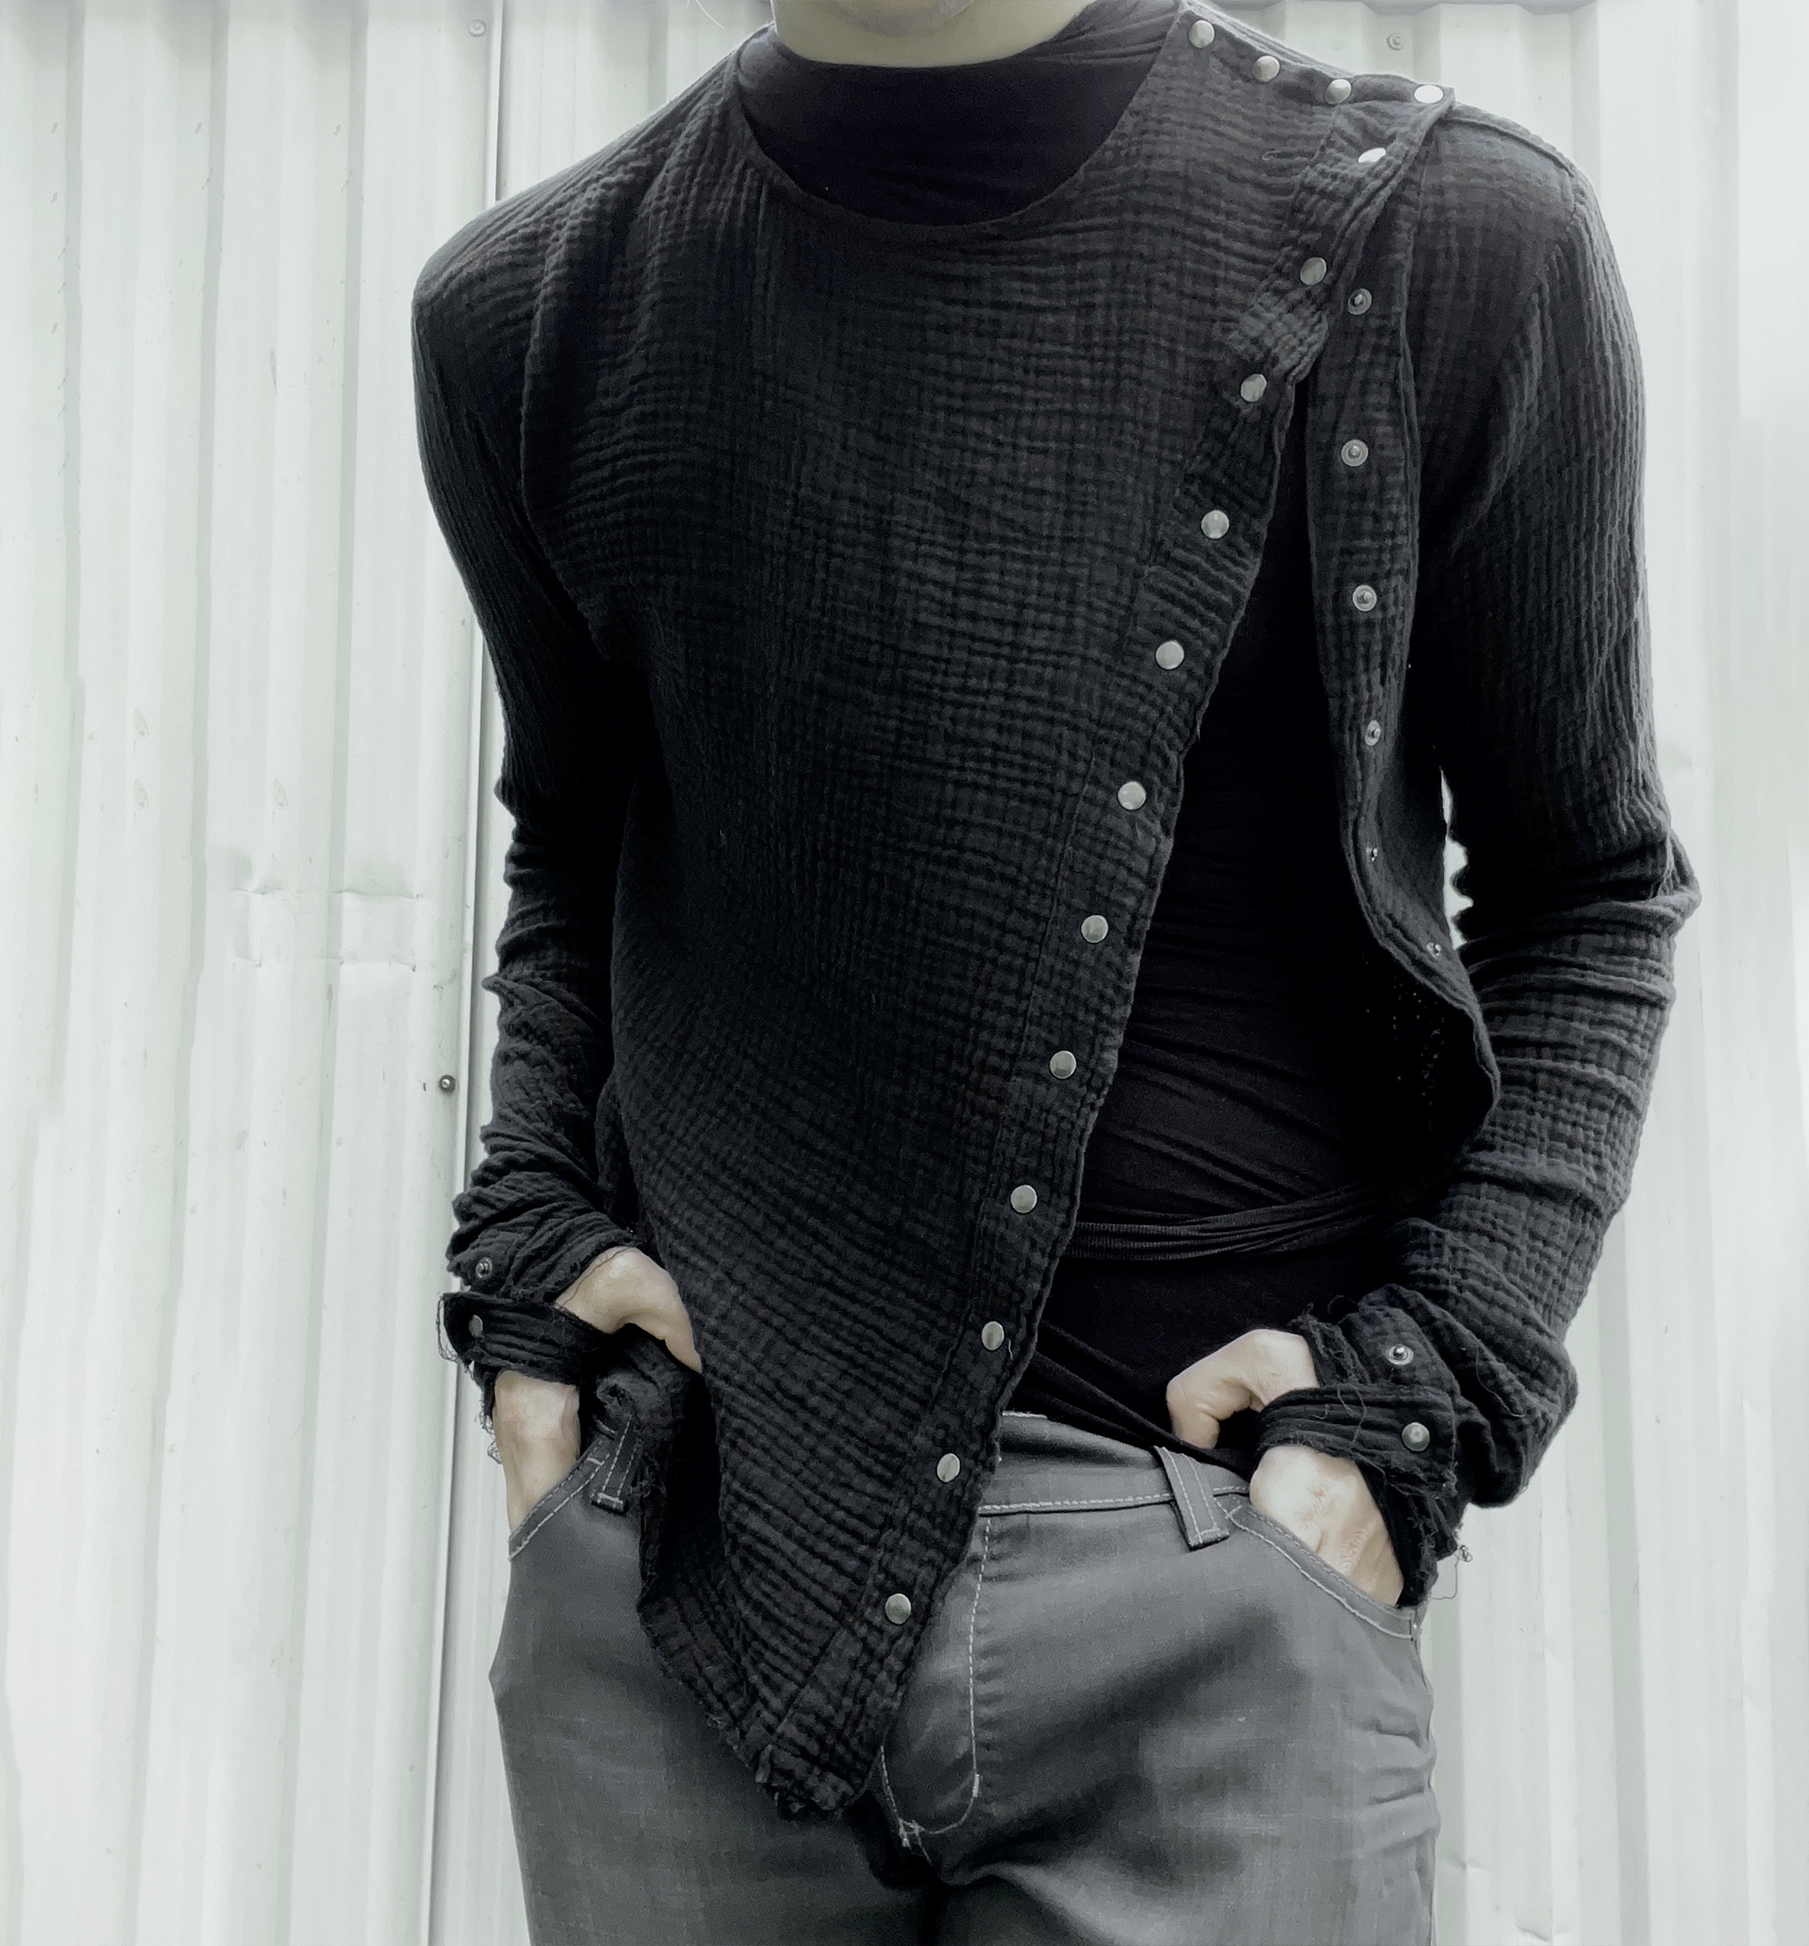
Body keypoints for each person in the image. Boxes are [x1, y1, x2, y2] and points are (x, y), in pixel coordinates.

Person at [411, 0, 1698, 1939]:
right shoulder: (525, 309)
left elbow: (1587, 884)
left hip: (1218, 1605)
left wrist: (1425, 1389)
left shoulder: (1451, 235)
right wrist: (530, 1259)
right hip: (680, 1573)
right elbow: (577, 849)